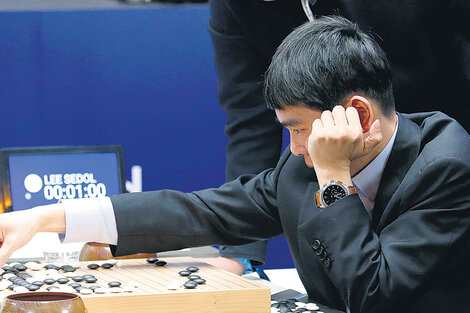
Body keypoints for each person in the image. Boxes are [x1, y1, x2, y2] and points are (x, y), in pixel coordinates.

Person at [1, 16, 470, 312]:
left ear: (358, 115)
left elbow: (372, 296)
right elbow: (200, 212)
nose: (294, 147)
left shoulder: (447, 167)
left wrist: (333, 177)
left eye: (298, 128)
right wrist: (43, 218)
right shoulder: (299, 168)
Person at [208, 0, 470, 274]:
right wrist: (238, 251)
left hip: (444, 146)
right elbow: (249, 120)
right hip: (356, 164)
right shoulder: (233, 7)